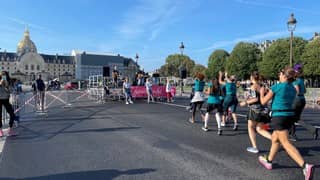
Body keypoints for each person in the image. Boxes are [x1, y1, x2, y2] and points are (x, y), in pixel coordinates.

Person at [258, 67, 314, 180]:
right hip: (289, 116)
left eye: (280, 74)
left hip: (279, 116)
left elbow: (263, 102)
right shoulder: (293, 89)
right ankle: (269, 161)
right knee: (275, 138)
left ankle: (304, 166)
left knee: (285, 143)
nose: (278, 76)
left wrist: (261, 93)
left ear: (284, 76)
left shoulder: (277, 87)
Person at [240, 71, 271, 153]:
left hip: (254, 110)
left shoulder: (253, 87)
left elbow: (255, 99)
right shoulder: (261, 86)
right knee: (259, 129)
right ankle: (275, 139)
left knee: (250, 127)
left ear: (252, 78)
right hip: (262, 109)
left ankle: (254, 147)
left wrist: (245, 102)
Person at [290, 64, 318, 140]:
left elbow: (297, 91)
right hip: (303, 100)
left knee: (291, 117)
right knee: (296, 119)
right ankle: (312, 129)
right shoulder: (301, 80)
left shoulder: (295, 80)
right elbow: (304, 91)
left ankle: (292, 135)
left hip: (296, 100)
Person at [0, 71, 17, 137]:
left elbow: (12, 91)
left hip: (6, 99)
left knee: (12, 114)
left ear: (7, 76)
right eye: (2, 75)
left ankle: (10, 129)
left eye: (5, 75)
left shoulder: (9, 82)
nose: (3, 76)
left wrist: (6, 86)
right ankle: (0, 130)